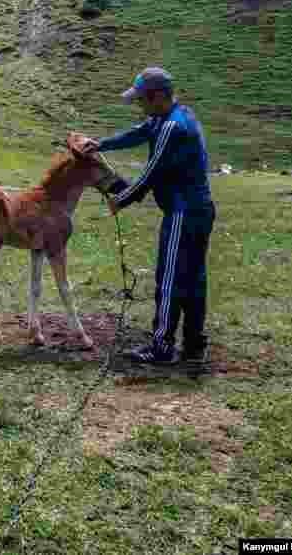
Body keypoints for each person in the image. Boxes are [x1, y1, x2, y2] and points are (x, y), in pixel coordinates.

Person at [78, 67, 216, 365]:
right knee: (193, 278)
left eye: (141, 100)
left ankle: (162, 347)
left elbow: (152, 172)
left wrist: (122, 199)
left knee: (169, 280)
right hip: (199, 209)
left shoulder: (172, 128)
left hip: (183, 211)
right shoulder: (173, 116)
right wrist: (101, 144)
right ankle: (194, 343)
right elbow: (139, 133)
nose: (139, 105)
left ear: (157, 97)